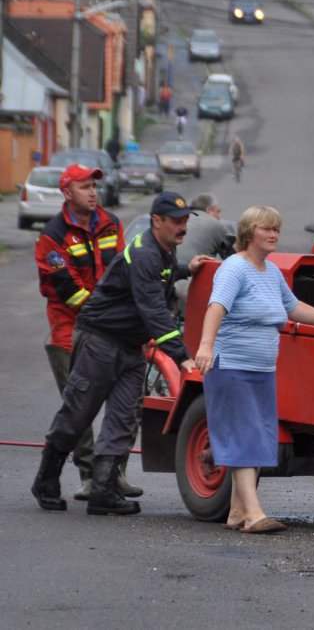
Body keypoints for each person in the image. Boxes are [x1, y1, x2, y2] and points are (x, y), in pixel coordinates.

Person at [31, 192, 214, 516]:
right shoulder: (144, 254)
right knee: (78, 414)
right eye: (176, 221)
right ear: (156, 221)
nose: (182, 227)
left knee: (122, 416)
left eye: (186, 221)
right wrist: (182, 357)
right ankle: (46, 480)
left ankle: (103, 490)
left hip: (130, 347)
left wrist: (187, 268)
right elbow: (154, 311)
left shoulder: (163, 251)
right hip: (101, 341)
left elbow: (162, 277)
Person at [195, 206, 314, 534]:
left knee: (258, 437)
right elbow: (216, 308)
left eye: (276, 230)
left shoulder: (270, 273)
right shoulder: (233, 269)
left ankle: (237, 513)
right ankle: (254, 515)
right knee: (245, 436)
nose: (273, 235)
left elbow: (292, 308)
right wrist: (206, 346)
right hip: (232, 367)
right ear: (248, 233)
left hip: (262, 370)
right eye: (266, 229)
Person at [34, 164, 138, 501]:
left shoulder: (111, 223)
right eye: (84, 187)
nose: (93, 192)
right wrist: (110, 315)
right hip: (69, 330)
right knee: (78, 409)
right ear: (67, 193)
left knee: (125, 407)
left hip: (109, 328)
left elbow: (121, 271)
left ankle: (111, 474)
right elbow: (69, 290)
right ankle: (89, 475)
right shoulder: (52, 235)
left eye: (94, 186)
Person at [174, 193, 234, 318]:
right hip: (186, 285)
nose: (219, 217)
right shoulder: (216, 225)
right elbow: (234, 260)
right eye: (218, 212)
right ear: (209, 210)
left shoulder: (180, 221)